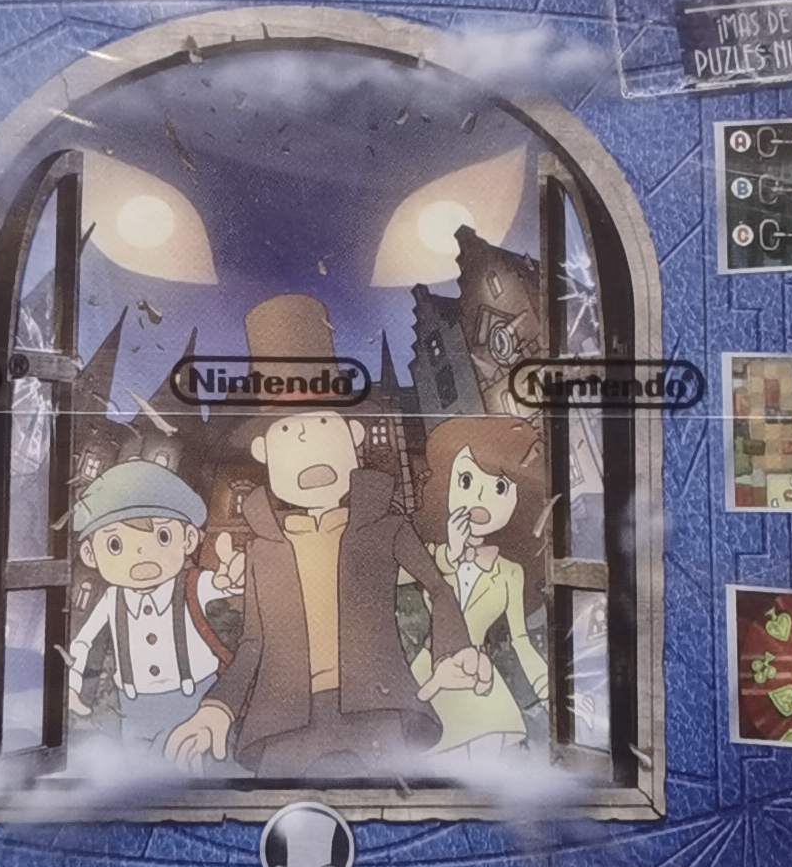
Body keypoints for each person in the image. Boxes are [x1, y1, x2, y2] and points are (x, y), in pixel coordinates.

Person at [163, 296, 493, 778]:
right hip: (284, 725)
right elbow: (253, 644)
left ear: (354, 436)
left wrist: (454, 651)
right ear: (264, 451)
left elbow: (438, 588)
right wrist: (217, 709)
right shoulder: (263, 551)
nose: (310, 446)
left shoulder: (386, 525)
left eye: (323, 425)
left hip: (377, 712)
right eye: (289, 433)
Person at [64, 459, 248, 759]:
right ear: (90, 553)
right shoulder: (111, 600)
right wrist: (74, 688)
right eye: (115, 544)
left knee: (193, 765)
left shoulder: (193, 584)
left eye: (162, 537)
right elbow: (85, 644)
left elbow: (223, 585)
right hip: (134, 707)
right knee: (141, 768)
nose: (141, 553)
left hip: (195, 698)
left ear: (188, 539)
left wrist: (234, 575)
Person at [411, 416, 552, 762]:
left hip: (480, 681)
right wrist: (451, 554)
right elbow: (385, 577)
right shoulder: (428, 556)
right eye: (466, 480)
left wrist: (550, 690)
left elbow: (521, 641)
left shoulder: (510, 573)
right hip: (432, 671)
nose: (479, 498)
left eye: (500, 487)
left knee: (488, 770)